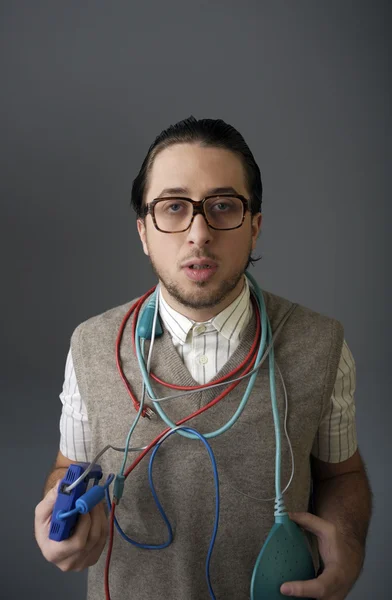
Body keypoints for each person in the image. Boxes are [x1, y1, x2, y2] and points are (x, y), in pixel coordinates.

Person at [34, 116, 372, 600]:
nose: (198, 233)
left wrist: (351, 546)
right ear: (144, 231)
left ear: (254, 227)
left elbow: (343, 474)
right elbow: (69, 466)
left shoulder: (322, 345)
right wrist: (56, 512)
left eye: (221, 206)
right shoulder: (91, 345)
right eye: (173, 207)